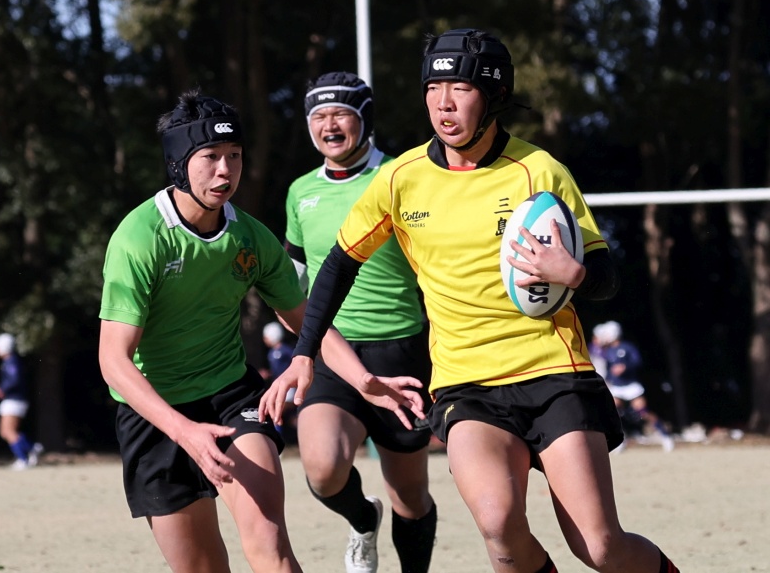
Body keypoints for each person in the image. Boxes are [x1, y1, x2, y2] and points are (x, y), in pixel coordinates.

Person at [261, 29, 681, 573]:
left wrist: (573, 272)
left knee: (600, 547)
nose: (443, 103)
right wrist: (303, 353)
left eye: (459, 88)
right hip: (466, 384)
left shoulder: (539, 171)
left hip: (554, 375)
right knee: (500, 530)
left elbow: (605, 277)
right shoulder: (401, 178)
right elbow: (338, 266)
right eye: (433, 88)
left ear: (494, 95)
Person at [98, 89, 426, 573]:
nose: (225, 171)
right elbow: (113, 361)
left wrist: (363, 380)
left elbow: (307, 320)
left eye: (234, 156)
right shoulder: (139, 238)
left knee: (271, 548)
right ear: (177, 164)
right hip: (157, 417)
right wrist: (184, 431)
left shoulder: (250, 236)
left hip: (231, 398)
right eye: (210, 157)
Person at [283, 71, 436, 573]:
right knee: (323, 468)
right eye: (318, 116)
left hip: (402, 352)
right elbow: (294, 281)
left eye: (340, 114)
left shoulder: (402, 176)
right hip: (331, 350)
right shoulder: (300, 192)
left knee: (409, 497)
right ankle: (362, 520)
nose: (329, 125)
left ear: (364, 120)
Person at [595, 321, 675, 452]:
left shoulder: (628, 347)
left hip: (631, 385)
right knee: (613, 412)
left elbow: (637, 362)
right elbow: (607, 369)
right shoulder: (607, 351)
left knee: (642, 411)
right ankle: (620, 440)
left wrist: (625, 367)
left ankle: (665, 435)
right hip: (617, 386)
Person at [0, 333, 43, 471]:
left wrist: (1, 389)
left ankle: (23, 458)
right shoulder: (9, 362)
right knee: (5, 432)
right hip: (12, 400)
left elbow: (15, 380)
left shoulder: (11, 362)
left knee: (9, 431)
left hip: (14, 400)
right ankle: (31, 448)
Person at [262, 321, 298, 440]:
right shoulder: (271, 353)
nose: (264, 339)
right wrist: (268, 374)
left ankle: (277, 439)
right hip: (278, 387)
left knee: (276, 411)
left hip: (288, 388)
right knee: (289, 417)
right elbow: (277, 370)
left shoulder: (286, 350)